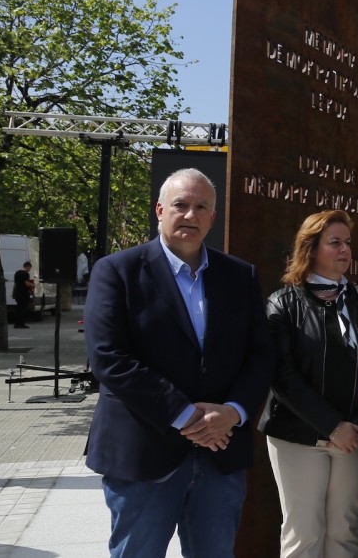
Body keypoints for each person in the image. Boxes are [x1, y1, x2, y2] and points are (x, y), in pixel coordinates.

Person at [84, 168, 274, 557]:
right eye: (180, 205)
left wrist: (234, 412)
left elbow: (261, 354)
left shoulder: (240, 276)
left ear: (213, 217)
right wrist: (185, 414)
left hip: (220, 455)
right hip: (143, 454)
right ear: (159, 210)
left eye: (201, 207)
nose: (190, 215)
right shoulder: (117, 271)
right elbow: (109, 357)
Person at [258, 210, 358, 558]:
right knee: (304, 534)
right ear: (311, 248)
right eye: (335, 243)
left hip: (355, 439)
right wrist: (332, 426)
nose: (345, 250)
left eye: (347, 243)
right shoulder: (282, 303)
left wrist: (356, 425)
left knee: (345, 531)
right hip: (298, 436)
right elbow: (282, 376)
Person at [12, 260, 34, 328]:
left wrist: (13, 293)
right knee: (23, 309)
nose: (29, 270)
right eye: (29, 268)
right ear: (27, 266)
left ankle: (16, 324)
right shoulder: (25, 274)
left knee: (18, 308)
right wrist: (32, 285)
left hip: (17, 292)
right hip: (23, 293)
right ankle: (21, 324)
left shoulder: (17, 273)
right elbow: (27, 284)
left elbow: (15, 284)